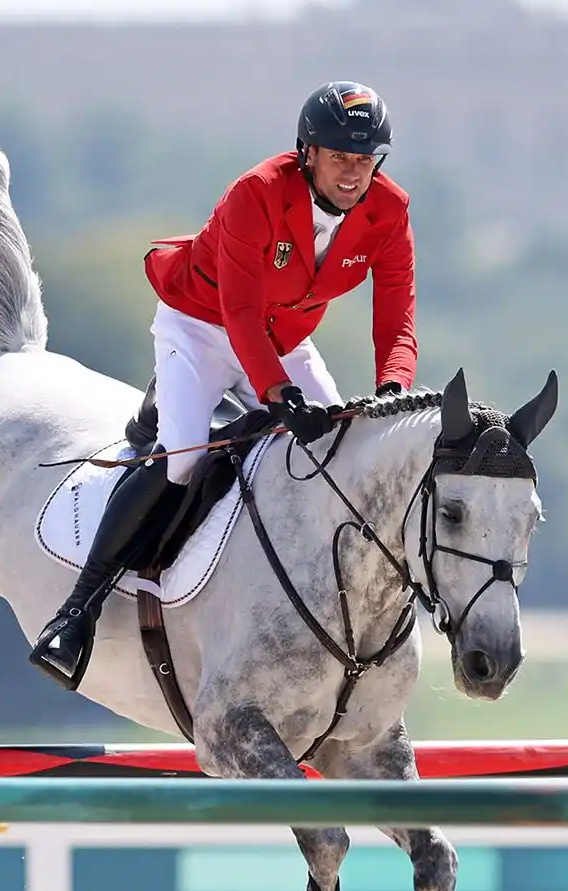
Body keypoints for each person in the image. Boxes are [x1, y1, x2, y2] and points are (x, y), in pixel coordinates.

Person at [30, 79, 420, 690]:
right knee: (183, 457)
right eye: (340, 157)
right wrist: (278, 395)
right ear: (307, 152)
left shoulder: (390, 210)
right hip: (203, 324)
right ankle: (75, 611)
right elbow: (238, 314)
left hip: (284, 336)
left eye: (365, 160)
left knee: (340, 456)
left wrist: (393, 386)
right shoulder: (256, 193)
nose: (353, 173)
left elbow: (395, 313)